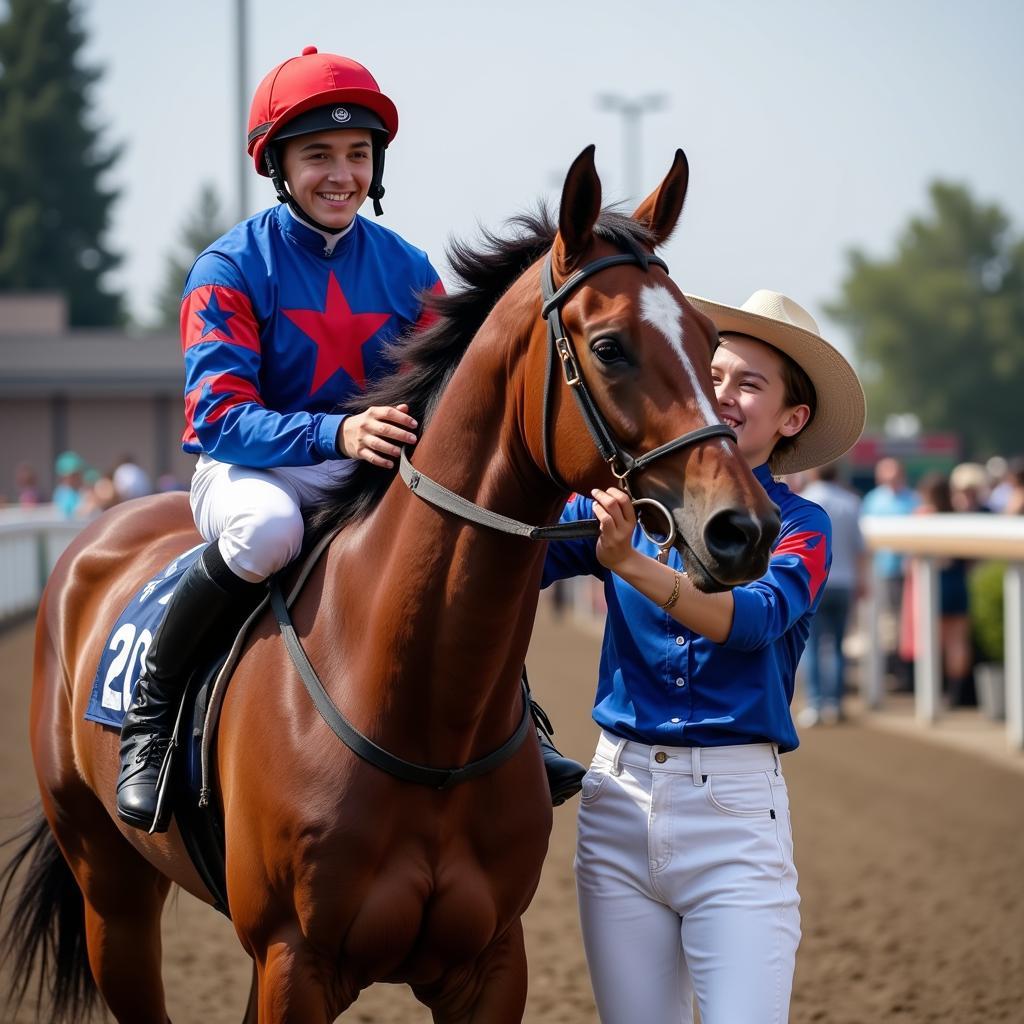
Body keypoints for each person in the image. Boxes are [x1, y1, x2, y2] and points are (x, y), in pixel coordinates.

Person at [116, 45, 581, 832]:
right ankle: (152, 722)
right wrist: (339, 431)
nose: (342, 175)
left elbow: (453, 406)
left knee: (448, 536)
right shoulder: (227, 268)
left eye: (358, 156)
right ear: (279, 166)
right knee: (268, 533)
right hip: (258, 469)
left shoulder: (409, 271)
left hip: (369, 465)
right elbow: (218, 418)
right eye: (319, 155)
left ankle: (521, 719)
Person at [542, 290, 865, 1024]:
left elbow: (749, 621)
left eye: (749, 384)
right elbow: (510, 559)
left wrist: (628, 562)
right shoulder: (626, 497)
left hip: (736, 820)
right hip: (615, 803)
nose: (723, 395)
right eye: (713, 375)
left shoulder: (804, 526)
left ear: (793, 420)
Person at [798, 461, 865, 725]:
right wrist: (862, 580)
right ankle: (835, 704)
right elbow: (860, 548)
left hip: (814, 583)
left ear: (813, 471)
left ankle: (815, 704)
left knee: (812, 647)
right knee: (838, 645)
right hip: (845, 581)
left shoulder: (805, 499)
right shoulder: (851, 501)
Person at [860, 456, 919, 690]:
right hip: (880, 570)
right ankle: (887, 671)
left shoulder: (912, 499)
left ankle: (902, 672)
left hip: (906, 571)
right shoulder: (873, 500)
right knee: (884, 623)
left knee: (904, 623)